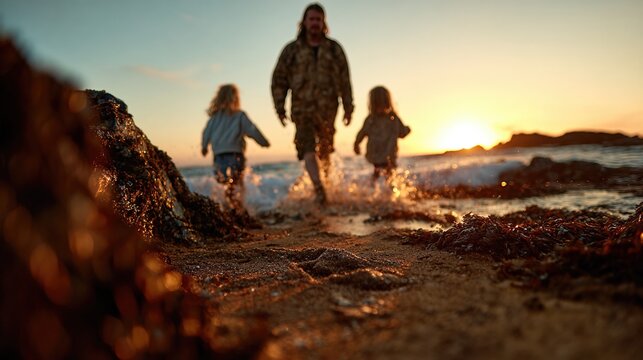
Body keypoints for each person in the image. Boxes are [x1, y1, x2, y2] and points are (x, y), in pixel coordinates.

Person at [271, 2, 353, 205]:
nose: (315, 23)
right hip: (302, 109)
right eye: (311, 19)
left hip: (328, 110)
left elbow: (345, 80)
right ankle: (319, 189)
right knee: (307, 147)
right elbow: (279, 80)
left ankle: (326, 184)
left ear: (324, 22)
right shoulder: (291, 50)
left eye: (318, 19)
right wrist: (279, 107)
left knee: (325, 151)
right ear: (304, 22)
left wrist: (348, 107)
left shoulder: (334, 49)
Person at [201, 84, 270, 209]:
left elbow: (206, 133)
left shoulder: (214, 118)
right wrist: (263, 142)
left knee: (223, 182)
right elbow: (252, 130)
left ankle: (228, 205)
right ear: (236, 98)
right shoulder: (240, 115)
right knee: (237, 183)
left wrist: (204, 147)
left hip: (219, 156)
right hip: (235, 154)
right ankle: (238, 207)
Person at [354, 86, 411, 183]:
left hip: (386, 154)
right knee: (383, 173)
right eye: (377, 104)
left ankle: (383, 192)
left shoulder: (392, 119)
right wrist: (356, 144)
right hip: (379, 154)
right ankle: (378, 191)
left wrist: (407, 130)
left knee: (387, 174)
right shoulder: (372, 120)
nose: (380, 108)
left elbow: (401, 133)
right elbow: (362, 132)